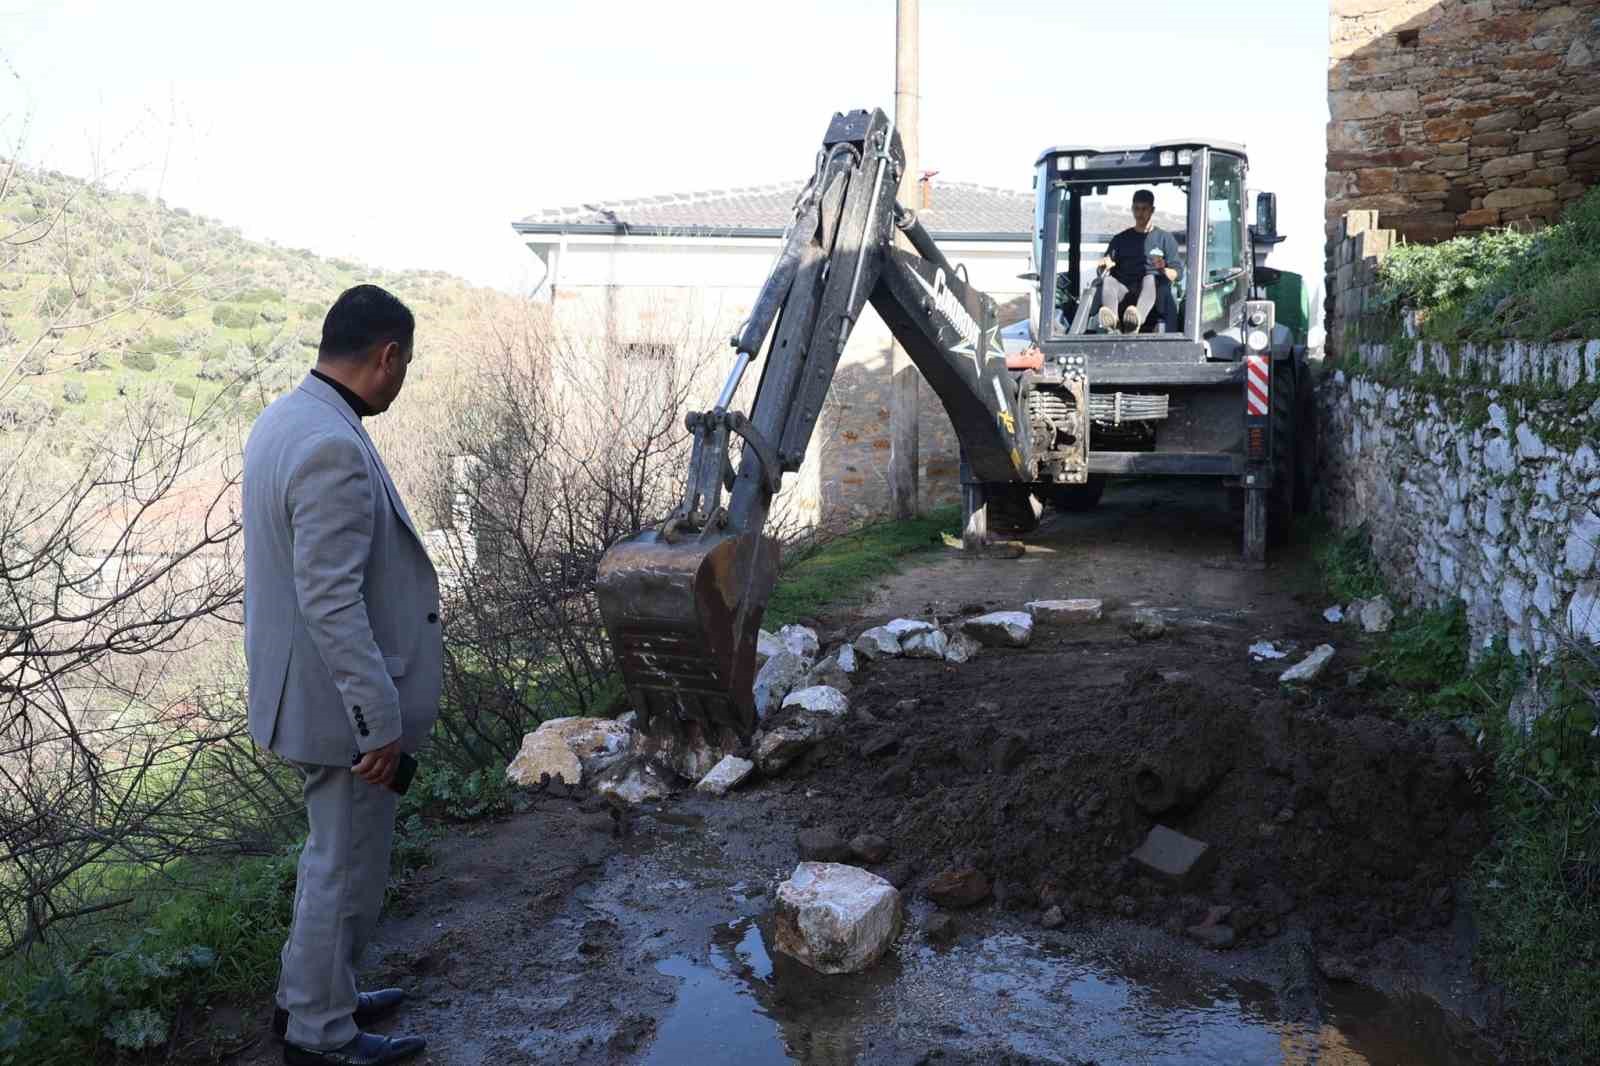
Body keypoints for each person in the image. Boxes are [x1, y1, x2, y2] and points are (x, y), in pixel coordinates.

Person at [243, 284, 441, 1066]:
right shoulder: (330, 444)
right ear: (385, 356)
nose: (403, 379)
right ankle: (320, 1035)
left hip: (304, 694)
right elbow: (330, 601)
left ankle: (316, 996)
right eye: (406, 365)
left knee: (332, 855)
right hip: (342, 710)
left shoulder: (286, 418)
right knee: (343, 863)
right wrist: (379, 722)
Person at [1094, 188, 1185, 333]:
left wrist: (1162, 270)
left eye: (1144, 209)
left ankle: (1135, 322)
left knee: (1149, 277)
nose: (1139, 213)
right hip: (1124, 292)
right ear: (1132, 209)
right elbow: (1104, 267)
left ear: (1152, 210)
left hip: (1152, 296)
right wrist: (1104, 267)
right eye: (1136, 209)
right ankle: (1113, 323)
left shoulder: (1165, 239)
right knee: (1108, 281)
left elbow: (1178, 273)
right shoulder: (1120, 239)